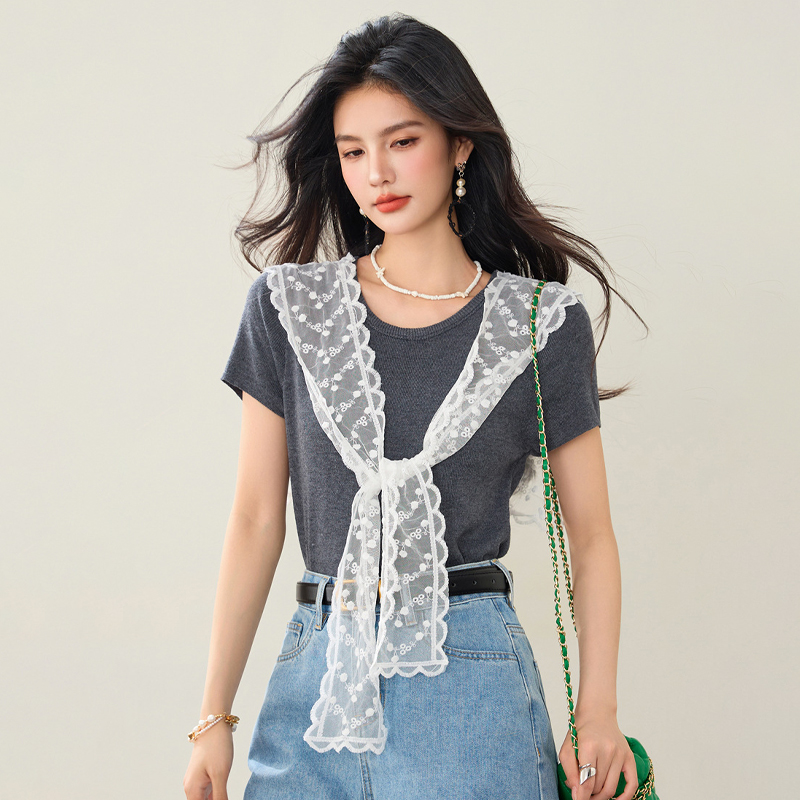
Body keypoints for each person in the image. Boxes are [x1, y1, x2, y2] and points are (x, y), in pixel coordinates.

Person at [184, 13, 647, 800]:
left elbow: (593, 536)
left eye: (402, 141)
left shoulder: (541, 324)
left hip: (472, 683)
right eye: (353, 151)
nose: (378, 173)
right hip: (314, 683)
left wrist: (595, 711)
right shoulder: (289, 308)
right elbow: (256, 519)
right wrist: (212, 718)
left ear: (460, 144)